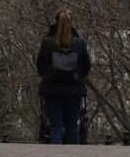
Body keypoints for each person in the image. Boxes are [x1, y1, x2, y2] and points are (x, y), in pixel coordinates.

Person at [35, 9, 91, 145]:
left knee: (55, 126)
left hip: (52, 89)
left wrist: (49, 76)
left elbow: (40, 65)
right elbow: (86, 66)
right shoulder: (79, 43)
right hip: (74, 90)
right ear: (72, 23)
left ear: (56, 22)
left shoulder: (47, 42)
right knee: (73, 126)